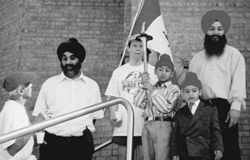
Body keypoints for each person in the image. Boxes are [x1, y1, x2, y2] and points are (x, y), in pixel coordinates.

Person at [178, 10, 246, 160]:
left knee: (228, 149)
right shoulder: (197, 58)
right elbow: (191, 85)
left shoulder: (234, 55)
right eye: (212, 29)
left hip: (224, 110)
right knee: (204, 151)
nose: (216, 32)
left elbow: (238, 82)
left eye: (219, 29)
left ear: (224, 31)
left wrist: (236, 107)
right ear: (206, 31)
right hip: (201, 109)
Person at [32, 38, 103, 160]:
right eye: (64, 59)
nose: (68, 62)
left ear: (80, 60)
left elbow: (95, 116)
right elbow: (40, 117)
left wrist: (78, 130)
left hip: (81, 146)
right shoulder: (49, 84)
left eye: (72, 58)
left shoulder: (92, 86)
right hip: (53, 145)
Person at [105, 34, 158, 160]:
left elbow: (157, 94)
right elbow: (113, 95)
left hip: (144, 123)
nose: (138, 49)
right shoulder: (119, 71)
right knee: (123, 156)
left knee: (142, 156)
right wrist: (113, 114)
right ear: (128, 48)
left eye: (141, 46)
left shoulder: (152, 70)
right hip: (124, 123)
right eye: (135, 46)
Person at [134, 54, 181, 160]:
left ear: (172, 73)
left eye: (167, 70)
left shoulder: (174, 89)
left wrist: (152, 90)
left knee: (162, 157)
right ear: (155, 71)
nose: (163, 73)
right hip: (147, 125)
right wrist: (142, 85)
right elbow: (138, 103)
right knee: (147, 157)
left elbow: (166, 107)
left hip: (163, 125)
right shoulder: (151, 86)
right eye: (160, 69)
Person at [171, 72, 224, 160]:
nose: (190, 94)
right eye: (187, 91)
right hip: (185, 153)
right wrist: (174, 153)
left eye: (194, 91)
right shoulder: (180, 113)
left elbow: (215, 131)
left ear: (200, 92)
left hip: (203, 152)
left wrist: (218, 148)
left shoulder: (210, 110)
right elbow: (176, 135)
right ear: (183, 93)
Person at [0, 72, 39, 160]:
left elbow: (22, 138)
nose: (32, 85)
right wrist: (36, 125)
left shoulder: (16, 108)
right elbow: (12, 150)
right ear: (21, 90)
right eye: (28, 84)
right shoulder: (12, 112)